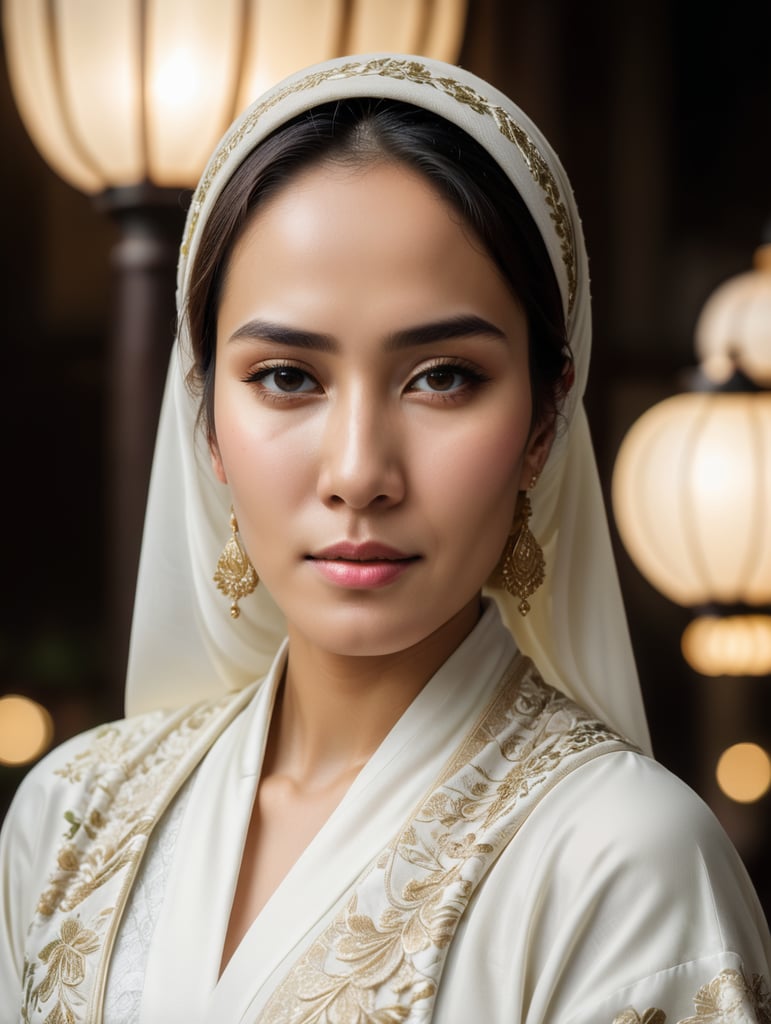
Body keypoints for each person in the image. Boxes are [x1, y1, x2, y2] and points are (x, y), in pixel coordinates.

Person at [0, 53, 769, 1024]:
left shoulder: (622, 862)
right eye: (287, 376)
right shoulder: (72, 816)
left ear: (545, 417)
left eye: (442, 376)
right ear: (204, 420)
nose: (359, 470)